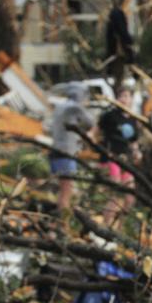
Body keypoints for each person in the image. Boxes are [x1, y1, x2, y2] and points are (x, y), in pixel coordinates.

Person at [96, 88, 139, 228]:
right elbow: (96, 131)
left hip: (126, 160)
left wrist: (137, 152)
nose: (124, 99)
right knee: (115, 193)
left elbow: (133, 141)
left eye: (127, 96)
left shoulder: (133, 119)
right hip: (112, 157)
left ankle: (120, 227)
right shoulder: (110, 116)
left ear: (132, 100)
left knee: (130, 196)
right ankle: (106, 226)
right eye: (122, 95)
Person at [49, 82, 93, 214]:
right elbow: (90, 122)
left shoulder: (59, 107)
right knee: (67, 191)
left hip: (56, 151)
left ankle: (61, 221)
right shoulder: (74, 107)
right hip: (66, 154)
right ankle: (63, 223)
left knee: (64, 190)